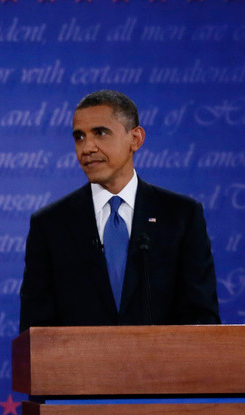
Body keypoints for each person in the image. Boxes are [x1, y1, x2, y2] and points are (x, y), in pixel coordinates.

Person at [19, 90, 220, 331]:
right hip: (81, 368)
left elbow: (201, 318)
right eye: (79, 137)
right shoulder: (50, 225)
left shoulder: (181, 216)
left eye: (100, 133)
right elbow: (37, 330)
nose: (87, 148)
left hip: (162, 367)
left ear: (135, 139)